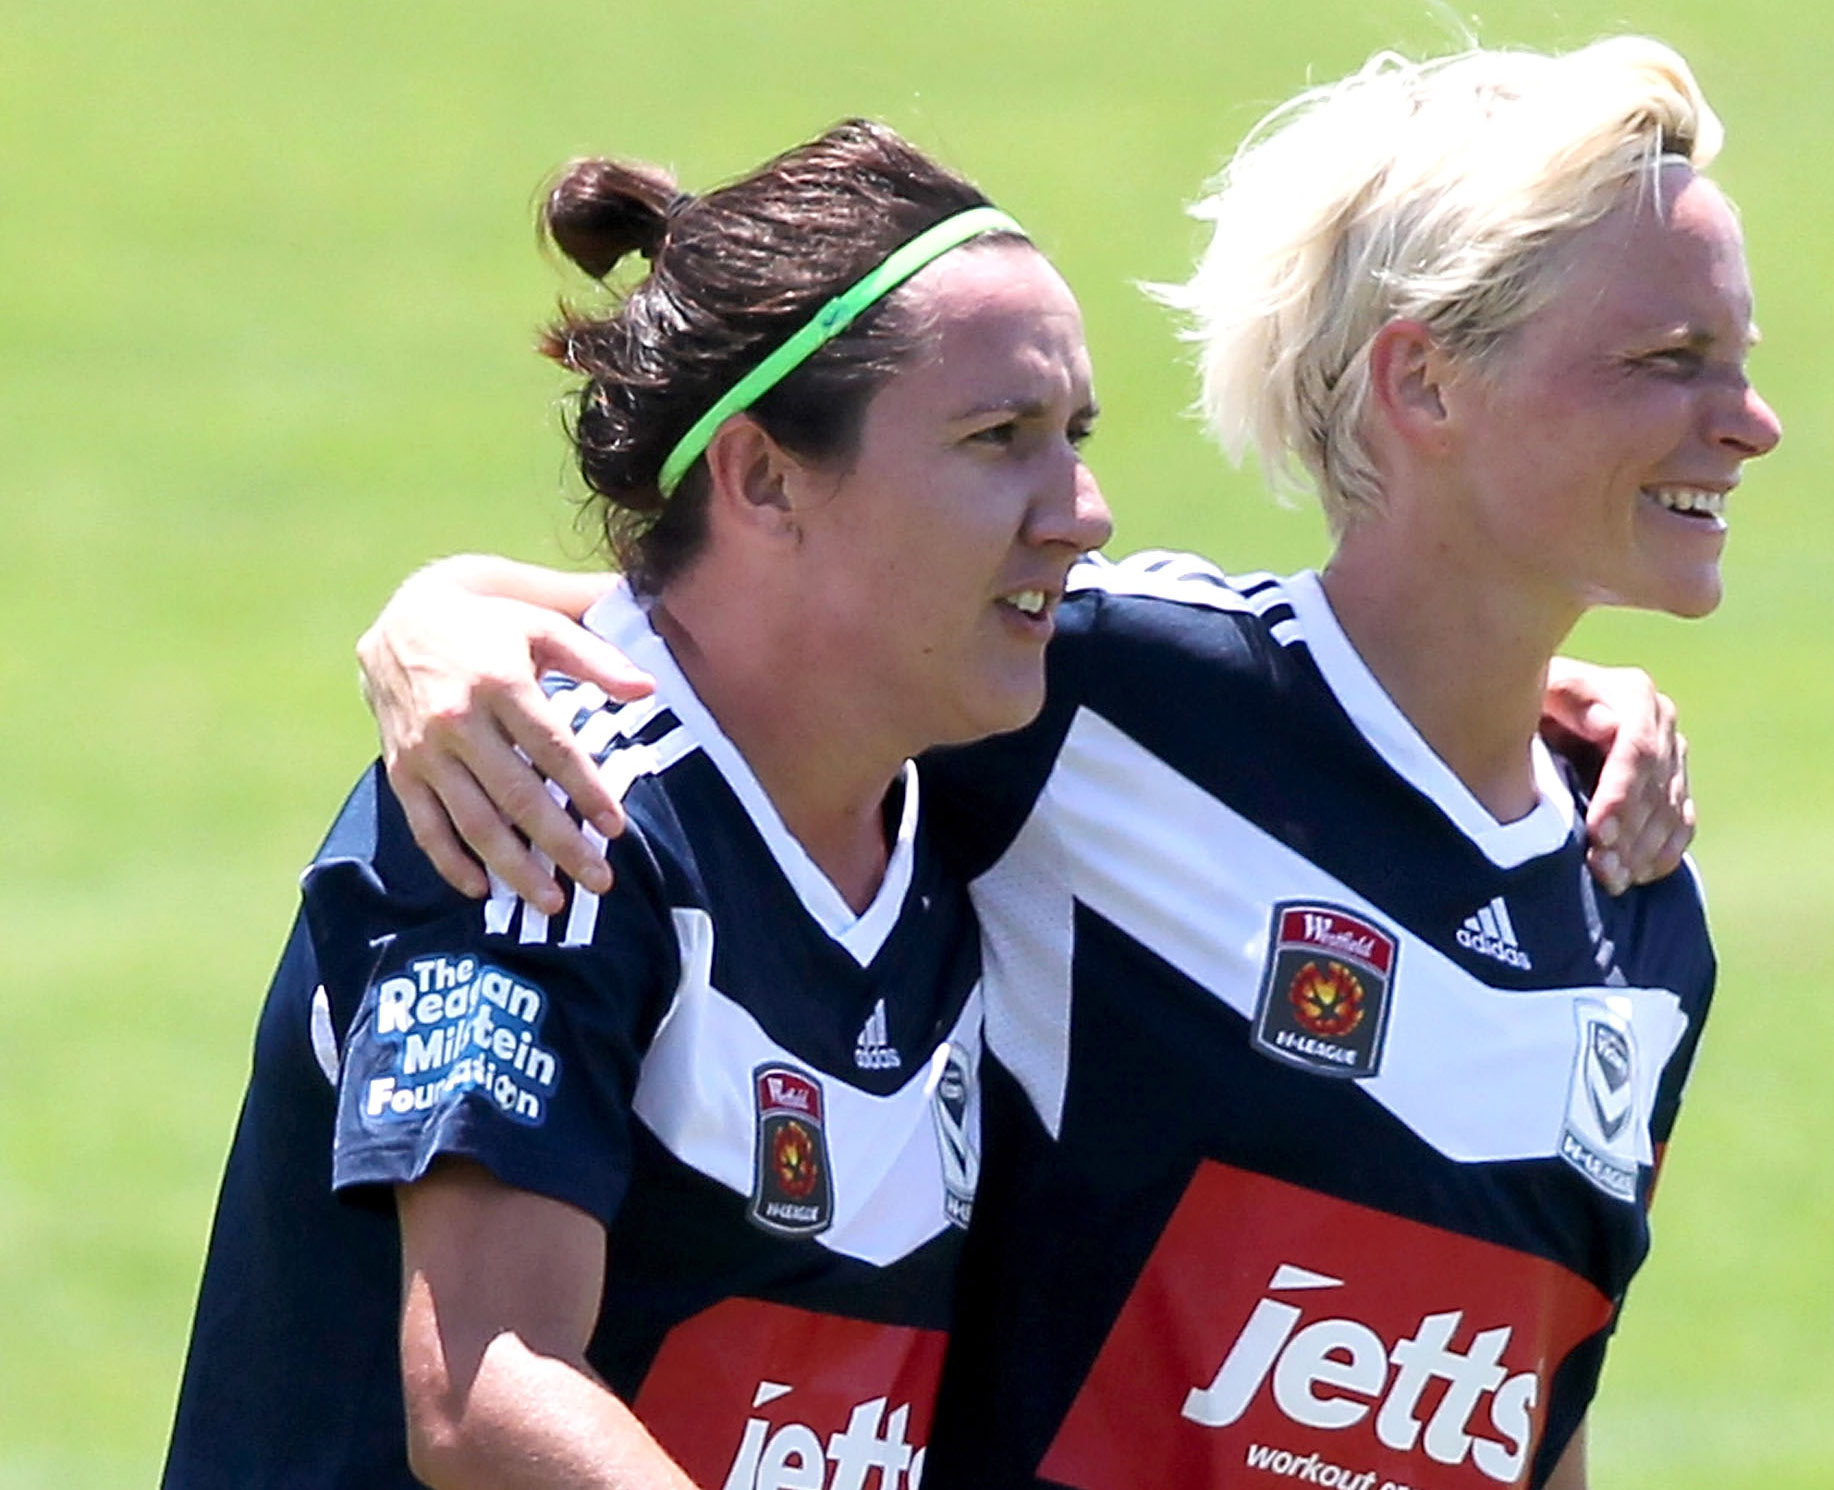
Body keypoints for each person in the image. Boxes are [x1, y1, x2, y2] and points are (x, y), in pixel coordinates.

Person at [356, 36, 1766, 1490]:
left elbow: (1536, 1410)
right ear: (1423, 384)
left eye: (1739, 360)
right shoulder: (1099, 701)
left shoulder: (1642, 900)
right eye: (1668, 359)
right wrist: (439, 615)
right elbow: (755, 633)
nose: (1751, 422)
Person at [161, 119, 1113, 1489]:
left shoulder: (955, 796)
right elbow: (488, 1382)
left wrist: (1535, 712)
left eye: (1072, 432)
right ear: (763, 475)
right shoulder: (536, 806)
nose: (1079, 507)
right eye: (998, 437)